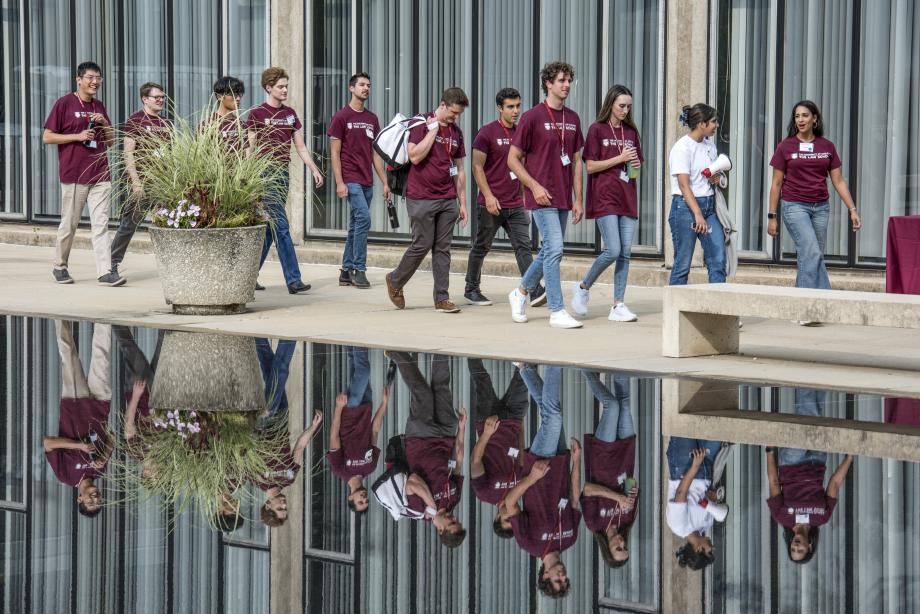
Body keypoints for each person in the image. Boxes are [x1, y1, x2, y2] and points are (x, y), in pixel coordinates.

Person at [767, 100, 861, 326]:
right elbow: (776, 183)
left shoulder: (826, 147)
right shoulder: (786, 146)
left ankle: (801, 309)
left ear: (815, 119)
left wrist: (852, 209)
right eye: (797, 116)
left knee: (810, 256)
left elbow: (838, 181)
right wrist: (772, 216)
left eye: (805, 115)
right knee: (812, 253)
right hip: (794, 206)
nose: (800, 120)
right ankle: (822, 303)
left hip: (821, 208)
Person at [507, 61, 585, 328]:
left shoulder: (573, 119)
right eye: (561, 81)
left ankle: (520, 293)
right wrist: (534, 186)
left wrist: (578, 199)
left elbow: (576, 162)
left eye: (568, 81)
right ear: (548, 84)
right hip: (541, 196)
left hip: (563, 195)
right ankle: (557, 309)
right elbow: (513, 160)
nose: (566, 85)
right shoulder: (532, 117)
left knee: (549, 251)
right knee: (555, 250)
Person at [385, 88, 470, 313]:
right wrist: (432, 131)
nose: (455, 117)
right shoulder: (420, 124)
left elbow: (460, 169)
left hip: (447, 198)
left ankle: (442, 298)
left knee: (443, 249)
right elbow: (414, 155)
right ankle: (395, 280)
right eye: (453, 113)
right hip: (421, 196)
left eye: (459, 114)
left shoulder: (456, 132)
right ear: (442, 105)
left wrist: (462, 203)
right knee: (422, 244)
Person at [43, 61, 124, 286]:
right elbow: (48, 136)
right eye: (90, 77)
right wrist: (77, 137)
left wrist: (104, 124)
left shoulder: (99, 105)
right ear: (78, 79)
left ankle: (105, 271)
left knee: (101, 224)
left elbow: (110, 141)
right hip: (74, 174)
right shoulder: (64, 104)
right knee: (69, 224)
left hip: (100, 173)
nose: (95, 82)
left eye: (98, 78)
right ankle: (60, 266)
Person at [463, 87, 545, 307]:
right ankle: (471, 289)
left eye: (518, 105)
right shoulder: (487, 132)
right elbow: (476, 167)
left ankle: (535, 289)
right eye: (510, 106)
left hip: (516, 203)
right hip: (491, 203)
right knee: (482, 246)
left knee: (524, 247)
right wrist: (488, 196)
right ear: (500, 108)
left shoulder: (521, 133)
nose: (515, 110)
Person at [506, 364, 581, 598]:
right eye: (566, 579)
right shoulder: (570, 539)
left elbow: (510, 504)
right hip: (559, 464)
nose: (563, 574)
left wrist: (531, 477)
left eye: (559, 579)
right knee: (550, 412)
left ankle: (554, 360)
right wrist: (576, 462)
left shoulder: (530, 544)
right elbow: (574, 499)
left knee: (553, 415)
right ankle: (523, 369)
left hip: (538, 466)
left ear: (545, 575)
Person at [247, 66, 324, 294]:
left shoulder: (290, 114)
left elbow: (300, 147)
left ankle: (248, 275)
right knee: (281, 226)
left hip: (282, 174)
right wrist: (246, 178)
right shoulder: (257, 113)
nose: (284, 90)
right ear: (268, 88)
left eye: (286, 86)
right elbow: (249, 149)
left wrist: (314, 169)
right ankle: (293, 279)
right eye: (280, 86)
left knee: (270, 230)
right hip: (264, 174)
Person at [571, 85, 643, 322]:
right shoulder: (596, 130)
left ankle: (618, 304)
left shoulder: (631, 132)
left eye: (629, 106)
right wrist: (619, 158)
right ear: (611, 103)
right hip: (604, 197)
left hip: (627, 197)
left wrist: (634, 166)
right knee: (613, 249)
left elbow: (635, 167)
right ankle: (583, 287)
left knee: (625, 254)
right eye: (621, 105)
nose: (625, 110)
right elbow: (590, 166)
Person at [765, 388, 853, 564]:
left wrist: (769, 450)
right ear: (810, 546)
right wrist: (850, 457)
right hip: (817, 461)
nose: (796, 546)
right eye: (800, 549)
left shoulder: (782, 517)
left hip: (791, 462)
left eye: (792, 548)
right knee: (817, 416)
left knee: (808, 419)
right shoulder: (822, 518)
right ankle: (820, 379)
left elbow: (774, 482)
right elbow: (835, 483)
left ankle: (805, 377)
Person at [390, 352, 468, 547]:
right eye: (457, 521)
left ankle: (396, 354)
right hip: (446, 434)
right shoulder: (453, 500)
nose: (453, 518)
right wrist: (462, 428)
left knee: (422, 394)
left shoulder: (419, 510)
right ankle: (441, 348)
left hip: (420, 437)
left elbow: (413, 482)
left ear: (440, 529)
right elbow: (458, 463)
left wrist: (432, 506)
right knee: (442, 386)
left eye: (451, 524)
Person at [43, 320, 113, 518]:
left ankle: (58, 313)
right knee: (102, 354)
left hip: (74, 405)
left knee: (68, 353)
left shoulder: (65, 476)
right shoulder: (100, 471)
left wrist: (78, 446)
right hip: (100, 404)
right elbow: (113, 438)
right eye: (99, 502)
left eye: (91, 503)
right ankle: (105, 310)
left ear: (79, 499)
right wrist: (105, 456)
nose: (96, 499)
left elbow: (48, 443)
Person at [329, 73, 390, 289]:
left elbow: (375, 154)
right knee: (364, 219)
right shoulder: (341, 117)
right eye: (362, 85)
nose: (366, 88)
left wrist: (384, 181)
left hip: (367, 181)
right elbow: (334, 153)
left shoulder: (372, 119)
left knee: (355, 225)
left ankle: (345, 271)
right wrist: (339, 182)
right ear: (351, 88)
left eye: (369, 85)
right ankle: (359, 269)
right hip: (350, 178)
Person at [110, 82, 172, 279]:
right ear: (145, 99)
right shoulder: (135, 121)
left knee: (169, 224)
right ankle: (111, 263)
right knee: (129, 224)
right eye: (157, 97)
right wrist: (135, 181)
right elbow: (128, 154)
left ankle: (172, 265)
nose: (161, 100)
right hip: (141, 182)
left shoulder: (166, 123)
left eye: (162, 97)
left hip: (162, 183)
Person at [580, 371, 638, 567]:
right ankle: (621, 364)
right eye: (625, 547)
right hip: (624, 458)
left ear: (607, 548)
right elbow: (632, 482)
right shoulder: (627, 520)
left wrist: (618, 498)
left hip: (603, 460)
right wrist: (631, 492)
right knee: (625, 403)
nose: (622, 543)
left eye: (618, 548)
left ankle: (587, 371)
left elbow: (587, 489)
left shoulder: (594, 523)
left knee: (611, 407)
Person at [467, 358, 529, 536]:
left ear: (496, 518)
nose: (511, 515)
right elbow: (522, 460)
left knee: (482, 379)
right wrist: (520, 425)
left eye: (506, 519)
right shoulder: (521, 491)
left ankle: (470, 343)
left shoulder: (485, 494)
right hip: (513, 420)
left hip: (490, 422)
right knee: (525, 372)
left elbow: (475, 461)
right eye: (514, 519)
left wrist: (486, 433)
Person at [326, 346, 389, 514]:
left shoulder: (340, 470)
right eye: (366, 501)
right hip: (366, 407)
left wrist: (339, 408)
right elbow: (375, 431)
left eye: (360, 501)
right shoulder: (371, 467)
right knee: (355, 365)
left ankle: (358, 334)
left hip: (350, 411)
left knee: (363, 371)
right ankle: (349, 337)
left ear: (350, 498)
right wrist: (384, 404)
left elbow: (334, 437)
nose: (364, 497)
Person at [667, 103, 726, 286]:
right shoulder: (682, 148)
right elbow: (684, 185)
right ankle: (675, 310)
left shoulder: (710, 146)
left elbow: (712, 173)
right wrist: (698, 215)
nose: (716, 125)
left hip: (708, 207)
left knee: (718, 259)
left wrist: (718, 178)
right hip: (685, 208)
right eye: (713, 122)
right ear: (701, 123)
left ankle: (717, 309)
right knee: (683, 264)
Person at [666, 438, 729, 571]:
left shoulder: (678, 526)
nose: (713, 548)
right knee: (714, 427)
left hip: (685, 466)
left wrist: (694, 466)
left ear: (698, 549)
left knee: (685, 425)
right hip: (706, 469)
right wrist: (712, 496)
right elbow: (707, 498)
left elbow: (680, 493)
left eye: (709, 551)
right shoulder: (707, 524)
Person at [257, 409, 324, 527]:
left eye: (280, 508)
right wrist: (314, 426)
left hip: (263, 424)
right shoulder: (289, 478)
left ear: (268, 506)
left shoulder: (258, 481)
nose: (284, 505)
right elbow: (300, 446)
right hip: (282, 424)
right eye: (285, 508)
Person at [211, 76, 248, 153]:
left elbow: (246, 153)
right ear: (219, 97)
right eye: (233, 94)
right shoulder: (208, 125)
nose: (238, 98)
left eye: (239, 94)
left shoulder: (242, 124)